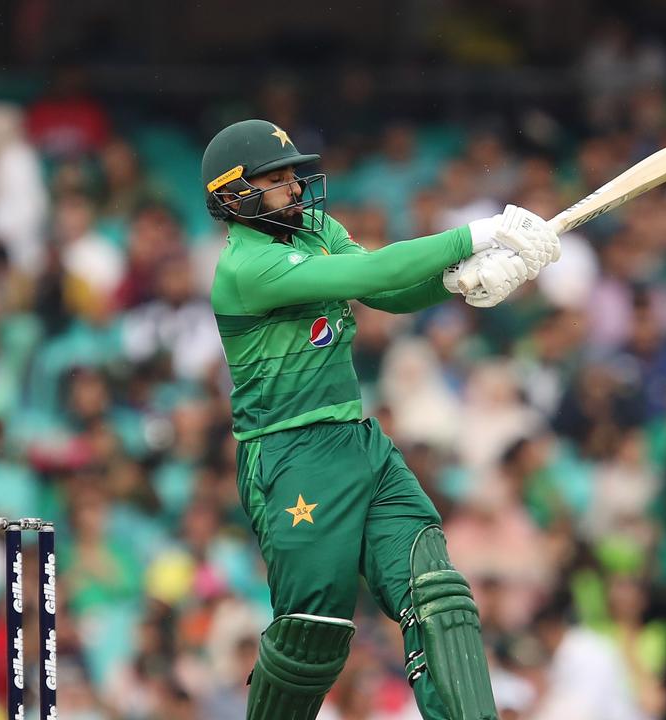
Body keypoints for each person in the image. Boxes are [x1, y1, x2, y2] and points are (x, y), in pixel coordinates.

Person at [200, 119, 561, 720]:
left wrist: (457, 282)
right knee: (315, 631)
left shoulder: (315, 230)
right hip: (289, 455)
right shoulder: (244, 268)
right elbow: (368, 275)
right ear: (233, 194)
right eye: (277, 178)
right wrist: (479, 233)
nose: (295, 187)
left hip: (357, 442)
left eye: (294, 174)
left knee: (437, 594)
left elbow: (386, 294)